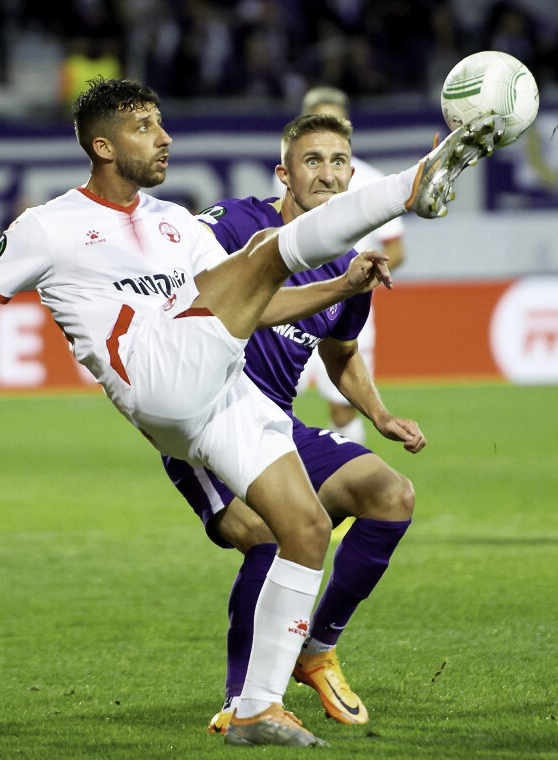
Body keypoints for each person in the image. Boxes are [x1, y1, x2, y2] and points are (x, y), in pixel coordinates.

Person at [0, 78, 504, 748]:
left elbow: (250, 302)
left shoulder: (173, 221)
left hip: (225, 392)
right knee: (263, 251)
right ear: (103, 145)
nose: (165, 137)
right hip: (156, 375)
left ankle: (256, 709)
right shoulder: (48, 226)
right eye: (146, 126)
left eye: (162, 122)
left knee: (306, 529)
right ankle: (412, 186)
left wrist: (339, 287)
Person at [166, 112, 423, 733]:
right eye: (312, 160)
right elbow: (212, 303)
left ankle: (317, 646)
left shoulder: (350, 265)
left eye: (340, 162)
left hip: (276, 428)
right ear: (284, 172)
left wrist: (379, 413)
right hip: (206, 426)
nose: (327, 174)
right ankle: (241, 703)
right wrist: (338, 284)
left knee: (389, 495)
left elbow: (340, 354)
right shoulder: (234, 225)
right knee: (269, 535)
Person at [289, 86, 409, 445]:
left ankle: (350, 483)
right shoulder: (289, 176)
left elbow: (397, 249)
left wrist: (358, 284)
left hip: (342, 307)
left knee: (343, 406)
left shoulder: (370, 181)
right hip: (288, 303)